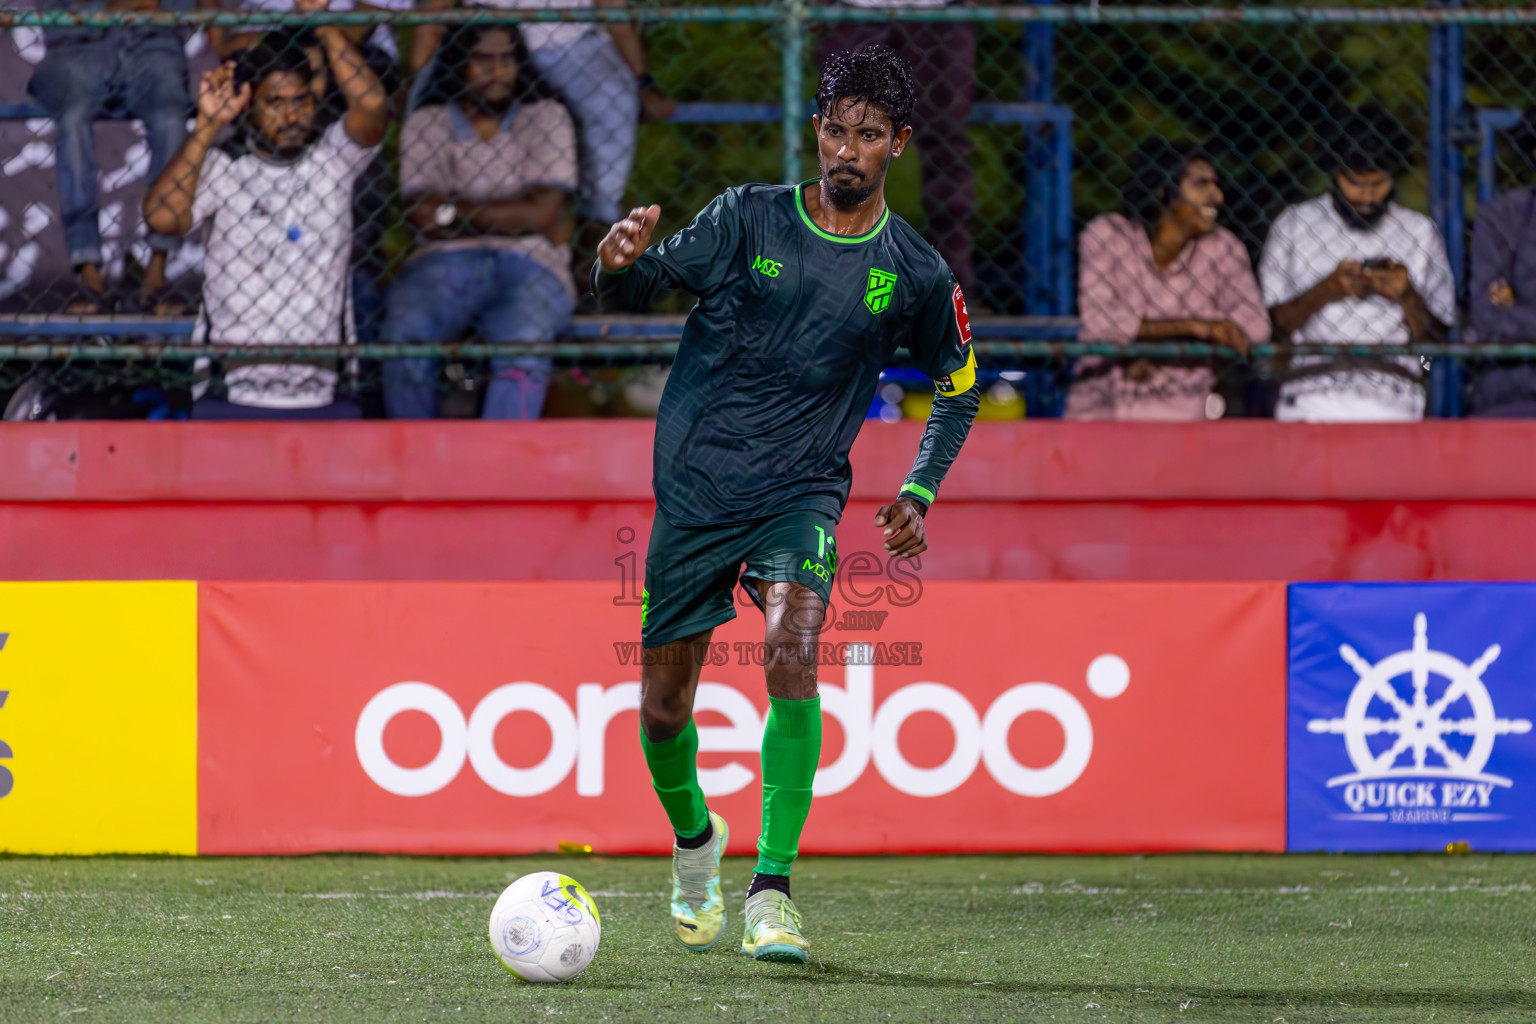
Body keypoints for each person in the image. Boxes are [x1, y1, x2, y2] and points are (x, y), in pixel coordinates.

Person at [590, 45, 978, 964]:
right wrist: (616, 262)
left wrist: (920, 487)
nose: (849, 149)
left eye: (870, 136)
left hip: (801, 493)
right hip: (696, 488)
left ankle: (772, 892)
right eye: (837, 130)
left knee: (791, 651)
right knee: (660, 710)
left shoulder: (916, 272)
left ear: (899, 145)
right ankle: (695, 842)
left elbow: (958, 386)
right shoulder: (745, 218)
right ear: (819, 130)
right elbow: (639, 288)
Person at [141, 0, 387, 419]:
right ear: (249, 104)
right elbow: (163, 216)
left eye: (301, 101)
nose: (291, 115)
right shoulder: (223, 166)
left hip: (324, 394)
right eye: (276, 102)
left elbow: (373, 109)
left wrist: (322, 24)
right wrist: (206, 125)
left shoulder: (333, 160)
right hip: (229, 392)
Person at [381, 24, 577, 418]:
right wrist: (515, 212)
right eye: (483, 60)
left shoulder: (548, 115)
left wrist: (452, 211)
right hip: (442, 262)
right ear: (457, 64)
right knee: (405, 331)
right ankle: (417, 465)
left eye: (507, 60)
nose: (497, 71)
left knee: (524, 340)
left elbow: (543, 213)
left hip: (531, 263)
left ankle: (501, 473)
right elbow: (421, 214)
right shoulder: (429, 120)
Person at [1259, 104, 1456, 422]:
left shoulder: (1419, 231)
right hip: (1309, 394)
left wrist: (1407, 298)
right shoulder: (1295, 224)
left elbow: (1431, 356)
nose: (1368, 196)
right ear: (1334, 174)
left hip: (1396, 398)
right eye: (1356, 183)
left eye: (1379, 183)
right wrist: (1327, 290)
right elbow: (1271, 331)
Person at [1070, 139, 1269, 421]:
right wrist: (1194, 327)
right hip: (1103, 410)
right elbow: (1100, 321)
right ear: (1163, 190)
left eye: (1216, 184)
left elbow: (1255, 325)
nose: (1217, 196)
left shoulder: (1222, 247)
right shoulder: (1108, 235)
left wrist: (1149, 343)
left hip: (1182, 413)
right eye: (1201, 184)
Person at [27, 0, 194, 313]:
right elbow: (59, 14)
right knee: (73, 118)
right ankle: (88, 271)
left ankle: (157, 270)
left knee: (171, 115)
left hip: (150, 45)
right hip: (77, 48)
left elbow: (180, 11)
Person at [818, 0, 978, 301]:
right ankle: (840, 280)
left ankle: (952, 288)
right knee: (846, 144)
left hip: (941, 14)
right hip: (855, 12)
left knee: (947, 144)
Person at [1467, 108, 1536, 417]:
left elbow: (1506, 320)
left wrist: (1518, 310)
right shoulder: (1503, 217)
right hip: (1514, 394)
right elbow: (1487, 319)